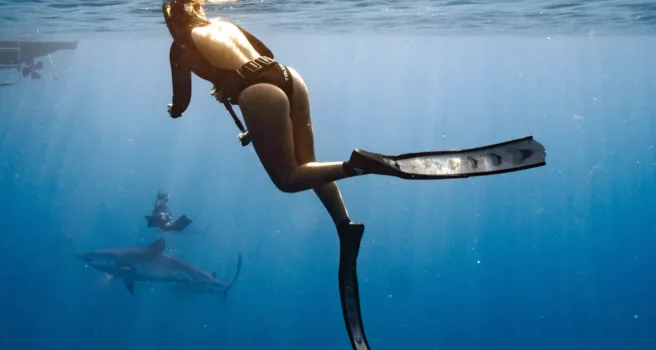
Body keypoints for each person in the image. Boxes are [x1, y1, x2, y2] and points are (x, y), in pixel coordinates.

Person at [160, 1, 546, 349]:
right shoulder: (225, 24)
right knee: (309, 165)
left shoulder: (180, 45)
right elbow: (265, 56)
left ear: (172, 21)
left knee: (288, 179)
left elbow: (181, 103)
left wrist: (177, 108)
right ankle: (344, 224)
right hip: (288, 77)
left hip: (258, 93)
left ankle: (359, 165)